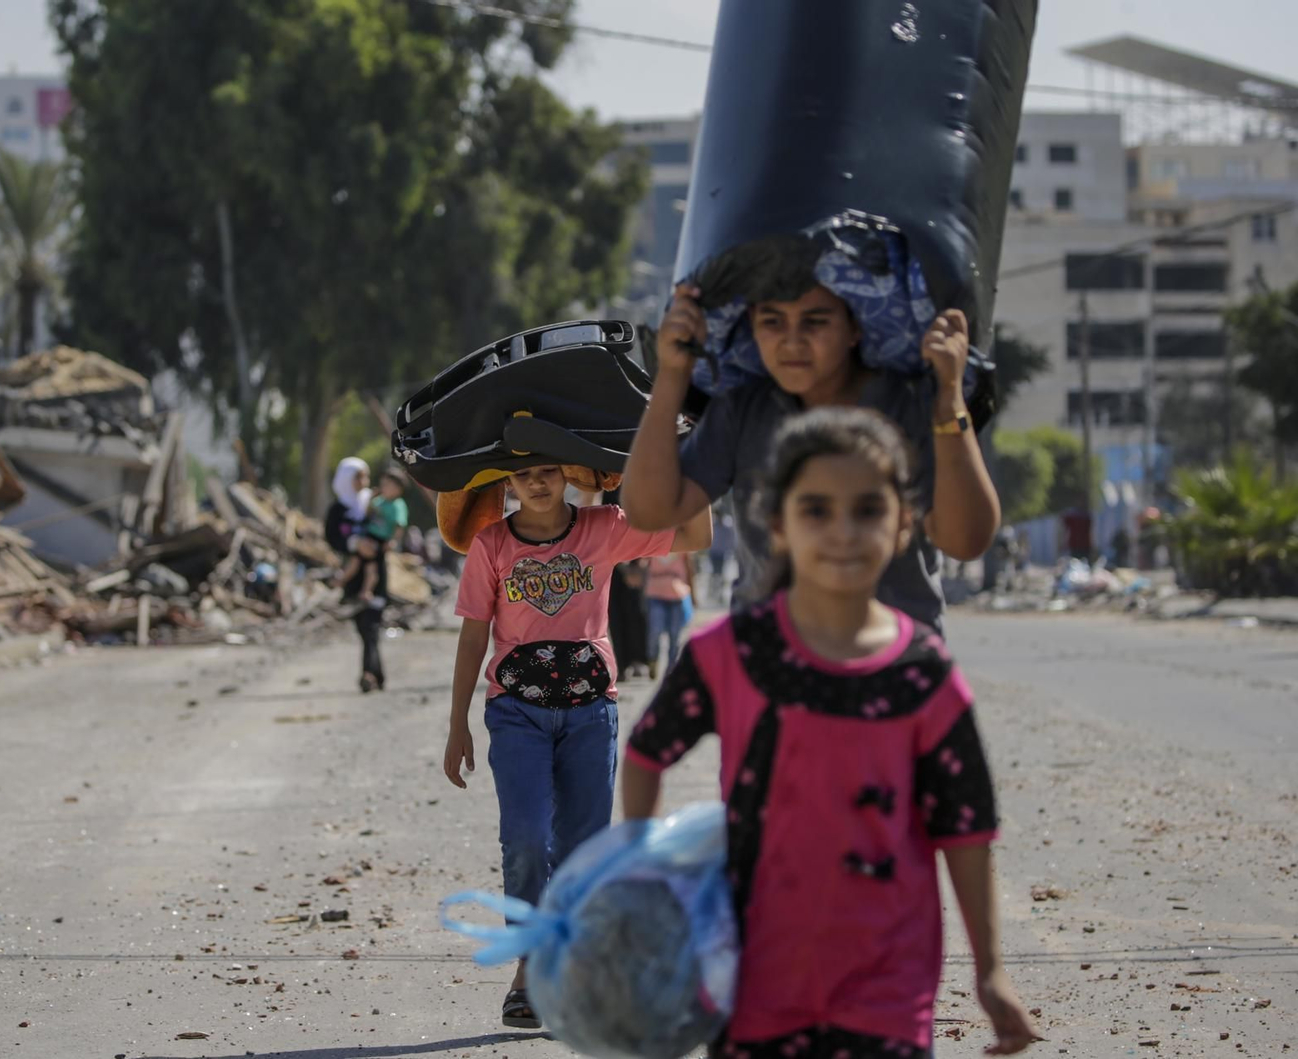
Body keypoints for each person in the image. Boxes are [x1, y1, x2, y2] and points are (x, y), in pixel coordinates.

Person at [621, 408, 1037, 1058]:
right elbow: (647, 752)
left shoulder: (924, 674)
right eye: (816, 509)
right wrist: (643, 879)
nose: (843, 530)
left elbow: (966, 827)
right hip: (752, 982)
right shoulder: (728, 653)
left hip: (888, 987)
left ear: (903, 523)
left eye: (868, 509)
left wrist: (990, 971)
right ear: (777, 525)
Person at [441, 464, 711, 1030]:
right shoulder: (491, 544)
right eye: (523, 475)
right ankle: (530, 963)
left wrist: (691, 459)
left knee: (581, 847)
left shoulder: (606, 526)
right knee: (525, 835)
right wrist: (457, 722)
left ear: (566, 474)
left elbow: (695, 535)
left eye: (546, 471)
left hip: (591, 712)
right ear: (505, 485)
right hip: (516, 712)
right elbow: (472, 636)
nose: (536, 483)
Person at [621, 277, 1000, 631]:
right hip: (769, 658)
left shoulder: (908, 403)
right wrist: (673, 374)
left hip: (894, 662)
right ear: (752, 324)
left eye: (815, 322)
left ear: (855, 327)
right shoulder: (745, 408)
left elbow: (965, 540)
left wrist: (949, 397)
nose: (792, 340)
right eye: (773, 322)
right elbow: (650, 511)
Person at [323, 457, 389, 693]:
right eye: (358, 476)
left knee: (371, 625)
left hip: (375, 574)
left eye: (365, 476)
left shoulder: (374, 504)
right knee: (364, 628)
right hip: (352, 577)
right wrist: (353, 544)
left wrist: (378, 545)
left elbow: (389, 527)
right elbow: (332, 537)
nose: (363, 481)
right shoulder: (338, 510)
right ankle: (377, 674)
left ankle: (368, 674)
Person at [335, 467, 410, 607]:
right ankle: (340, 581)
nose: (384, 488)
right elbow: (368, 513)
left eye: (388, 485)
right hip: (369, 535)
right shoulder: (380, 501)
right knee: (355, 561)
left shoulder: (398, 505)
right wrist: (371, 499)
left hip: (381, 540)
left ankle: (366, 591)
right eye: (383, 484)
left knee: (372, 568)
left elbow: (400, 526)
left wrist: (393, 541)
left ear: (398, 489)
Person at [644, 550, 695, 680]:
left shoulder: (683, 546)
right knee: (655, 631)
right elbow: (643, 563)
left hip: (678, 595)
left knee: (675, 634)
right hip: (655, 594)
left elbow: (689, 570)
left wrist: (693, 594)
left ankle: (672, 669)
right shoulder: (653, 543)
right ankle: (653, 660)